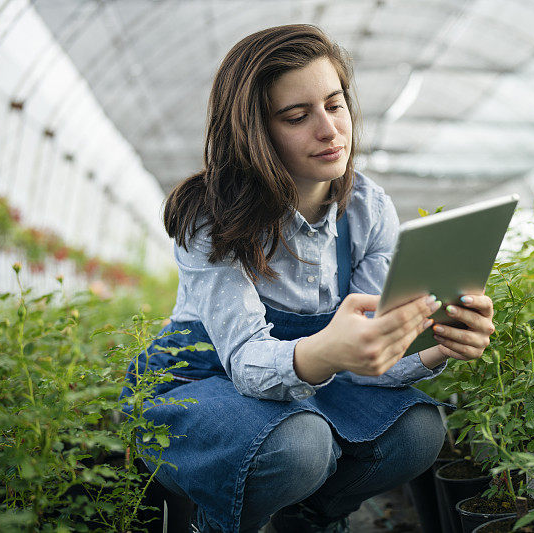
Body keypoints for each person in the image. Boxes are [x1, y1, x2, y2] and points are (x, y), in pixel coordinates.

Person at [120, 24, 495, 533]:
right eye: (297, 116)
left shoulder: (366, 209)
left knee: (417, 430)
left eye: (335, 105)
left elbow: (367, 362)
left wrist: (434, 344)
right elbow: (249, 364)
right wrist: (332, 351)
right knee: (300, 447)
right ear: (255, 132)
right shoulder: (212, 217)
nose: (329, 129)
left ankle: (309, 518)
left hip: (307, 385)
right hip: (199, 382)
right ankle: (215, 521)